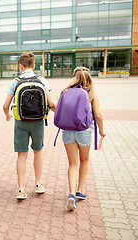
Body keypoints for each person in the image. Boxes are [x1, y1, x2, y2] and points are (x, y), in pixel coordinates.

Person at [3, 52, 56, 200]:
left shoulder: (15, 82)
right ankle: (38, 184)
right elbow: (52, 104)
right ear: (33, 66)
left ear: (20, 66)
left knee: (22, 154)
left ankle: (21, 189)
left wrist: (7, 115)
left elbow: (5, 105)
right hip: (38, 121)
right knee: (38, 151)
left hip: (21, 122)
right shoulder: (42, 80)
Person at [61, 67, 106, 210]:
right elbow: (98, 115)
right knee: (84, 160)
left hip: (67, 132)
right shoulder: (92, 95)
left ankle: (71, 194)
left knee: (72, 164)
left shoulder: (65, 92)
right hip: (84, 132)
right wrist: (102, 131)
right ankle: (80, 190)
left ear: (74, 77)